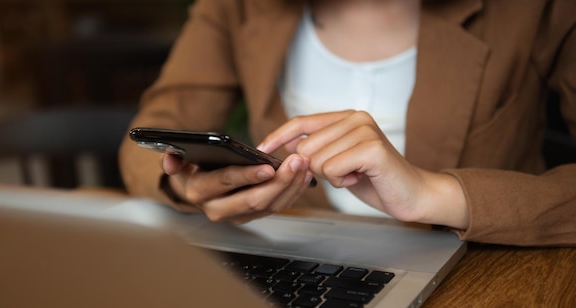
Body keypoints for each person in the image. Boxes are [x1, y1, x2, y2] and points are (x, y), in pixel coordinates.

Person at [119, 0, 576, 246]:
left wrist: (435, 194)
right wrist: (185, 188)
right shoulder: (237, 7)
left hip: (482, 282)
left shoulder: (537, 10)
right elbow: (151, 132)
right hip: (293, 267)